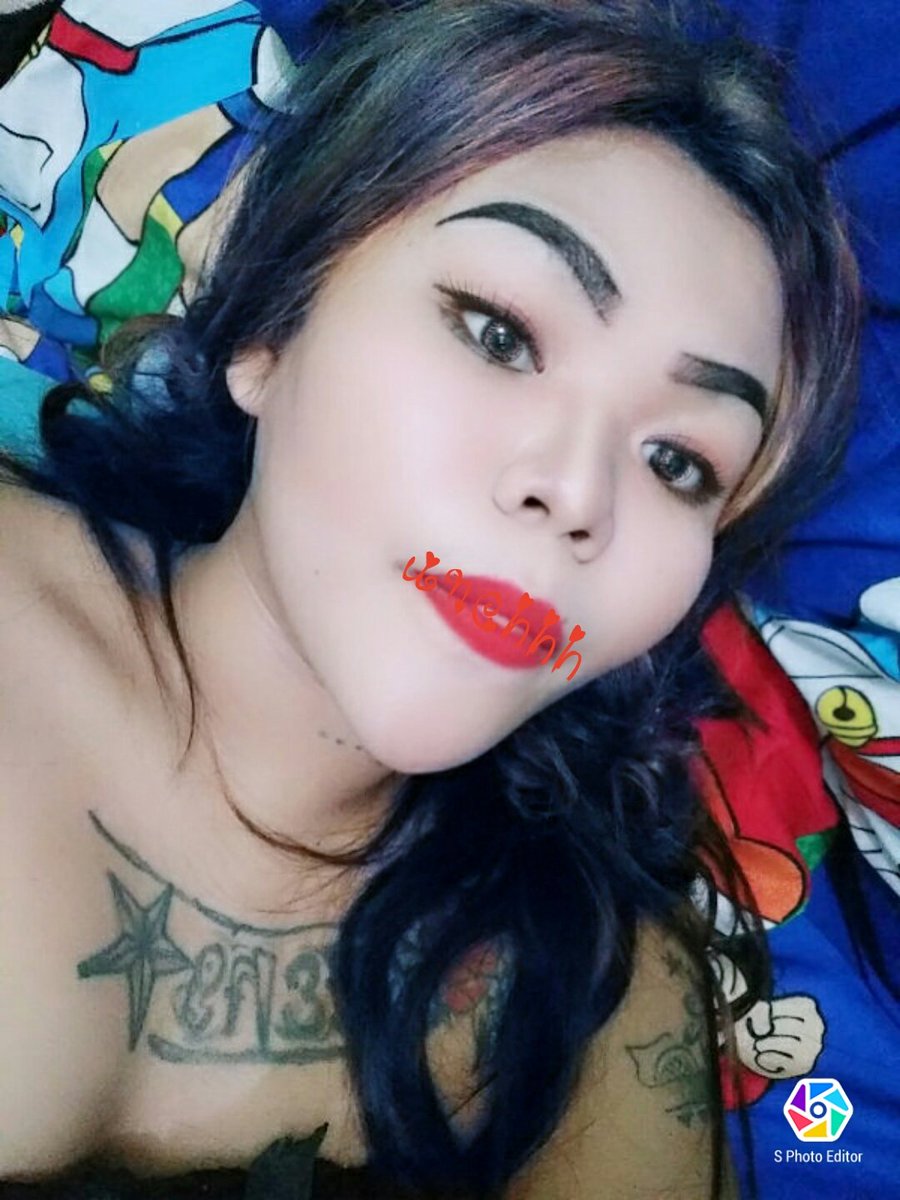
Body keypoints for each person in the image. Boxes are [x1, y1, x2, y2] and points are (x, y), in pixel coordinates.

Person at [0, 0, 862, 1197]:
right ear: (269, 332)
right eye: (499, 334)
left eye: (679, 462)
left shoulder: (599, 985)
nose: (577, 494)